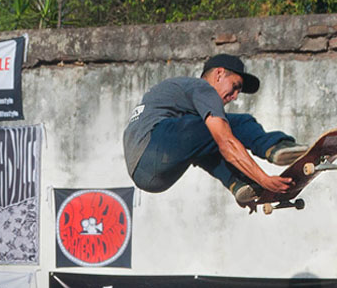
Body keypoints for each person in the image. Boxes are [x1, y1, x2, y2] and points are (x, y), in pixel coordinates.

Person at [123, 54, 306, 205]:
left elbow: (209, 145)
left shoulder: (184, 108)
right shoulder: (202, 88)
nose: (234, 97)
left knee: (207, 144)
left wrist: (254, 185)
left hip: (144, 172)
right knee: (237, 125)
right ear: (219, 74)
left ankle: (239, 184)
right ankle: (276, 148)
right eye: (235, 87)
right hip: (153, 143)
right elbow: (226, 142)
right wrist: (263, 179)